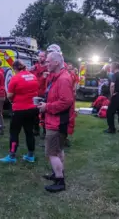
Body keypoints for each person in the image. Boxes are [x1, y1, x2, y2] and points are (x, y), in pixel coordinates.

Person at [37, 52, 74, 193]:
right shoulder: (56, 77)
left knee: (52, 152)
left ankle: (60, 181)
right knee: (58, 150)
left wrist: (47, 107)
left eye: (48, 62)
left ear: (57, 63)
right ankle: (57, 173)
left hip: (57, 121)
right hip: (55, 120)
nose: (46, 64)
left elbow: (66, 101)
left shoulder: (63, 79)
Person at [0, 60, 39, 163]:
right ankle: (30, 155)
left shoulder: (15, 78)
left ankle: (12, 156)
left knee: (14, 132)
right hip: (32, 108)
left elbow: (9, 95)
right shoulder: (33, 76)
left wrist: (12, 100)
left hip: (19, 109)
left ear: (14, 68)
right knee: (29, 132)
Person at [30, 51, 49, 136]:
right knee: (35, 113)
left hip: (45, 93)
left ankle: (45, 131)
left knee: (45, 113)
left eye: (42, 56)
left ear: (45, 57)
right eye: (39, 56)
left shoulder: (49, 68)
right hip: (35, 93)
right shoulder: (34, 67)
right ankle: (36, 129)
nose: (41, 58)